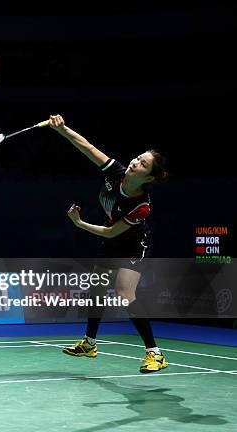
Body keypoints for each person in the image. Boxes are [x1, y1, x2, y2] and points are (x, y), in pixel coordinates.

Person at [48, 114, 169, 373]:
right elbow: (88, 147)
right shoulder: (116, 172)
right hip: (113, 241)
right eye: (137, 158)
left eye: (142, 163)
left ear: (149, 177)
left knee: (125, 293)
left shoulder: (141, 206)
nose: (135, 162)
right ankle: (89, 343)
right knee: (97, 289)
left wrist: (79, 224)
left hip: (133, 245)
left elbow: (112, 232)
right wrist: (62, 129)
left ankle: (155, 353)